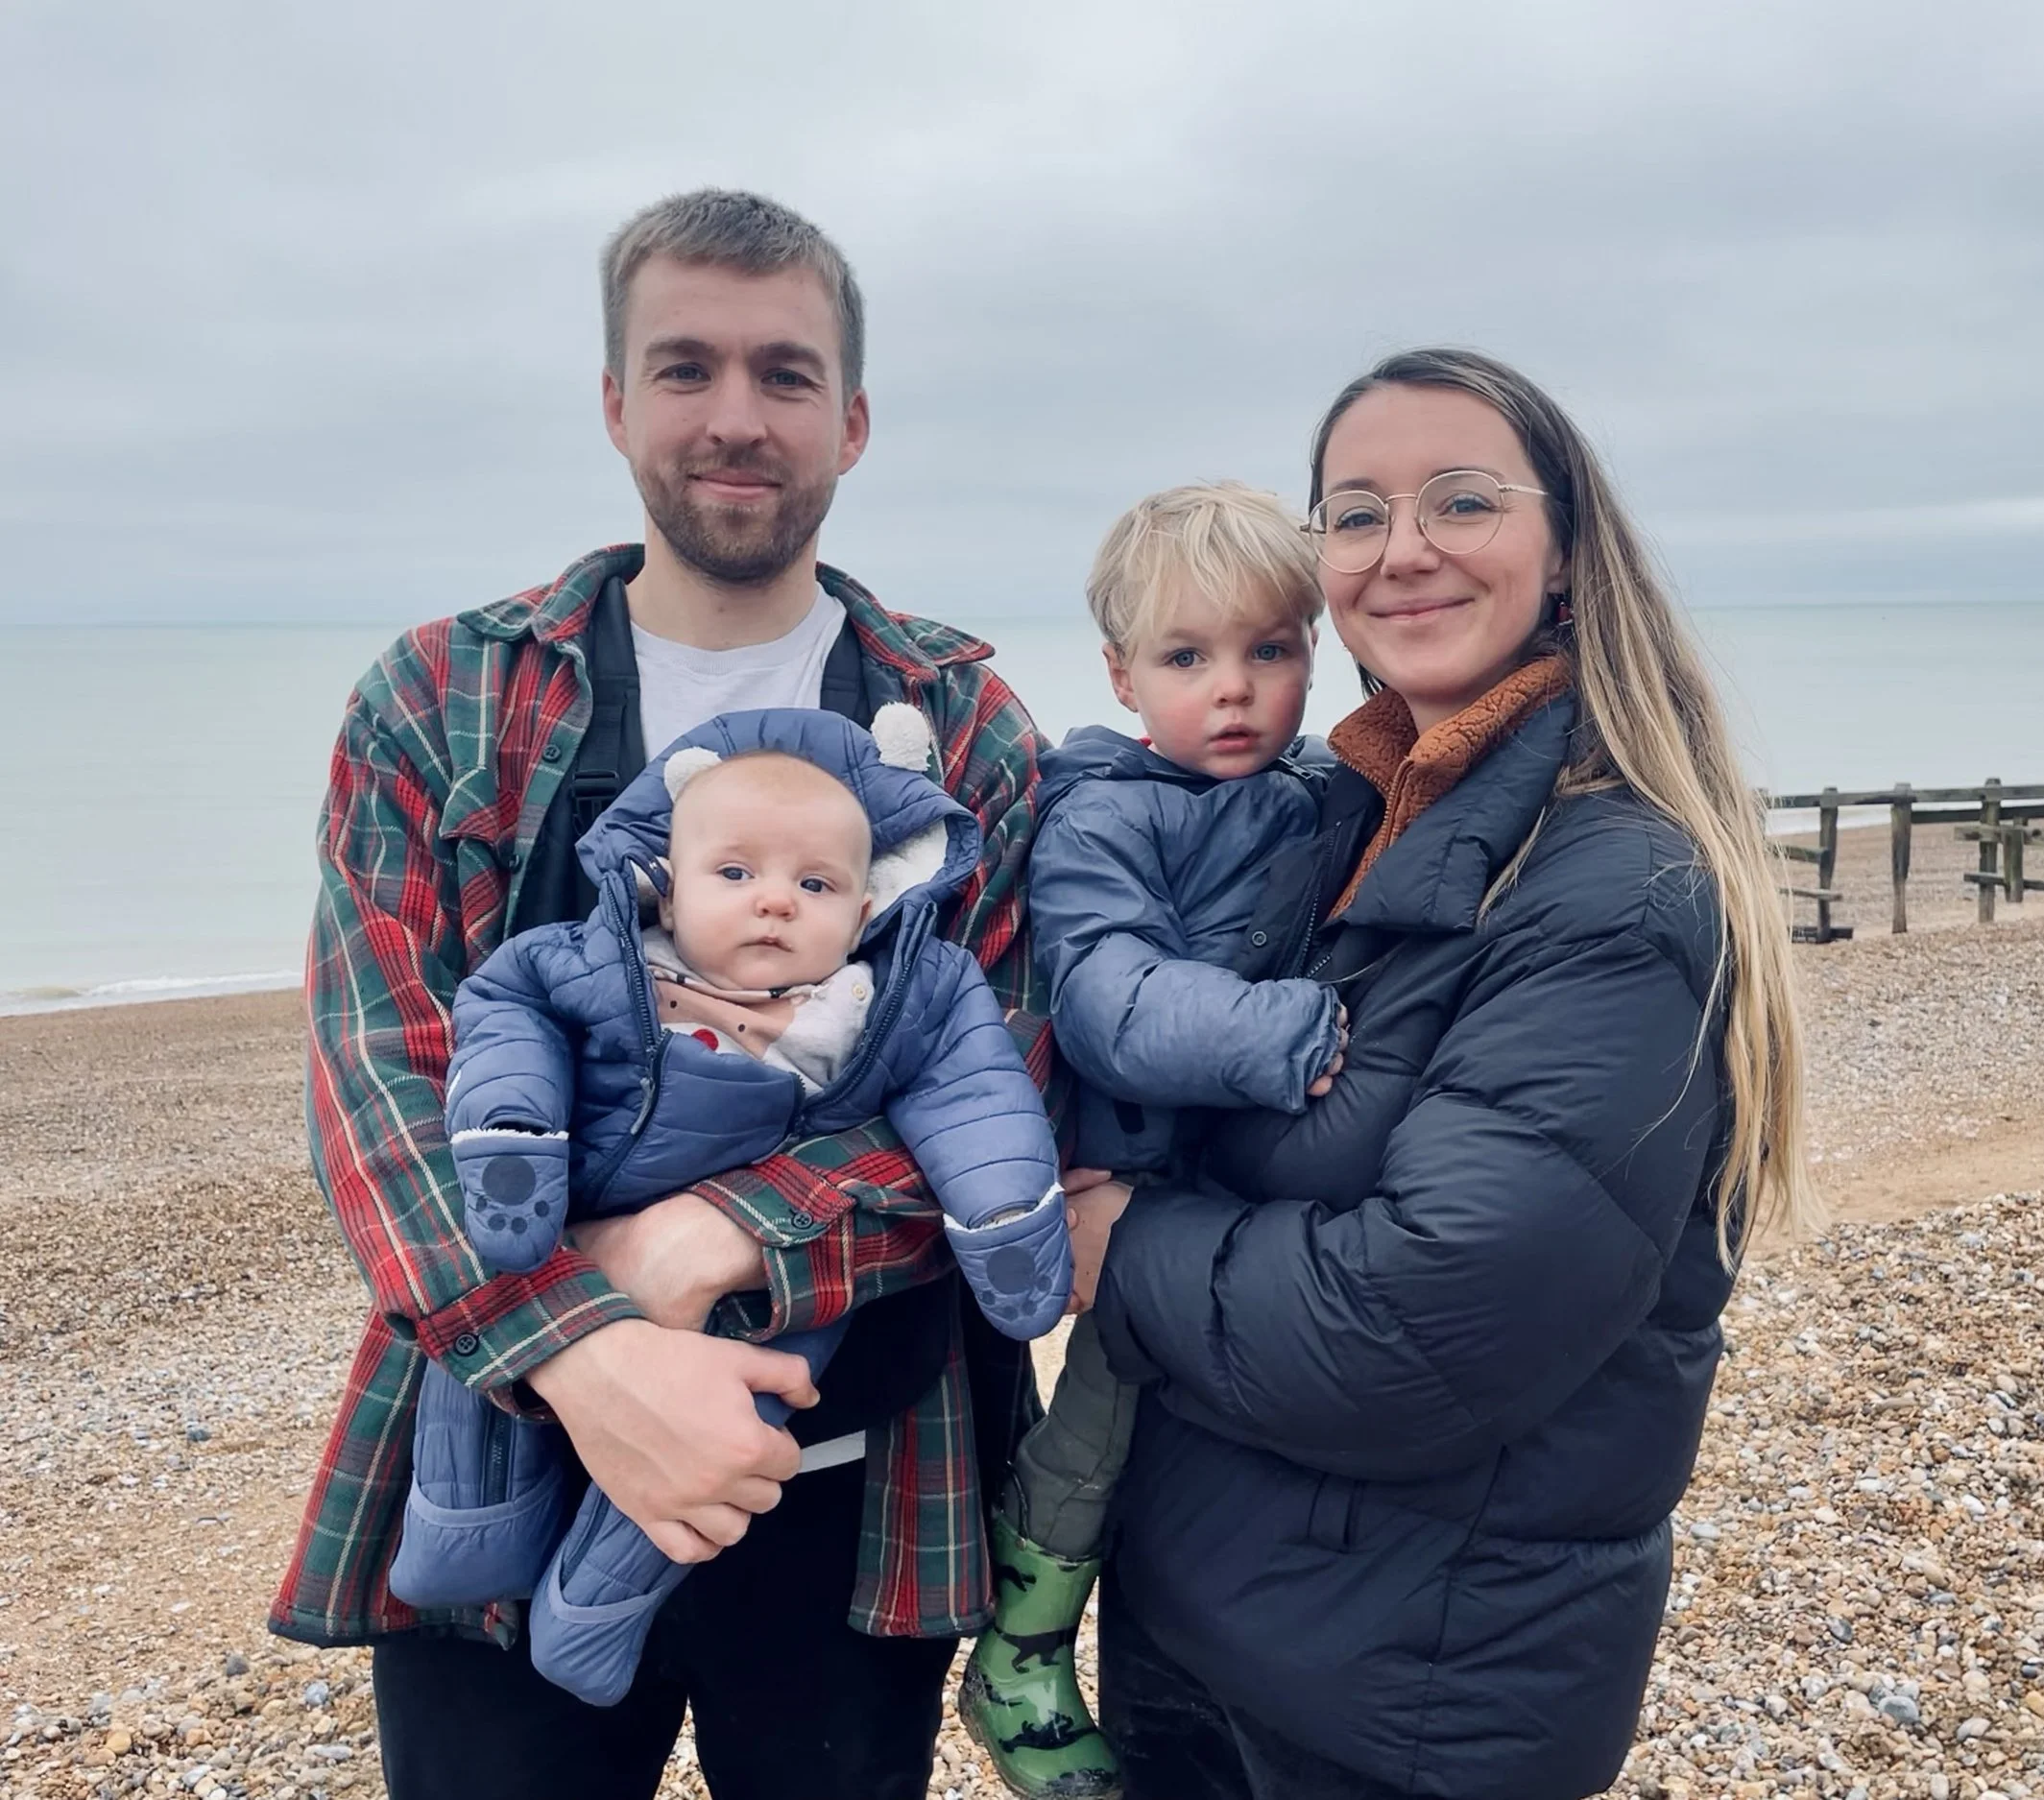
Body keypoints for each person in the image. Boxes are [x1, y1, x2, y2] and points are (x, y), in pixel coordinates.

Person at [268, 189, 1053, 1800]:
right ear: (617, 402)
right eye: (686, 368)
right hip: (504, 1441)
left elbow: (1005, 1077)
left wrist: (719, 1237)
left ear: (853, 419)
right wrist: (587, 1352)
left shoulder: (959, 724)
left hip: (855, 1482)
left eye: (784, 373)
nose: (736, 419)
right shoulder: (445, 696)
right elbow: (382, 1077)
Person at [1070, 348, 1817, 1800]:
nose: (1402, 547)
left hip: (1404, 1696)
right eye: (1354, 513)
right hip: (1212, 1625)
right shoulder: (1335, 816)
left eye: (1461, 499)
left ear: (1566, 551)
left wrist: (1119, 1239)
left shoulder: (1614, 878)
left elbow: (1416, 1324)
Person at [388, 709, 1070, 1711]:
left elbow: (980, 1095)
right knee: (487, 1340)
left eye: (816, 884)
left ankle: (594, 1612)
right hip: (558, 1239)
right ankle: (463, 1525)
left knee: (739, 1430)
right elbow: (499, 1017)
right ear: (668, 873)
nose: (775, 905)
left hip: (775, 1305)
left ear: (872, 896)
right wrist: (511, 1137)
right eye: (736, 874)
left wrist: (1006, 1215)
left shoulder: (879, 999)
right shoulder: (604, 958)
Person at [958, 484, 1348, 1798]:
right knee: (1102, 1411)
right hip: (1144, 1175)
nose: (1233, 690)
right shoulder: (1111, 812)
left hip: (1235, 1183)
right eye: (1189, 658)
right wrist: (1278, 1030)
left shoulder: (1317, 787)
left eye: (1270, 650)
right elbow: (1110, 997)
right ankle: (1020, 1637)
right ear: (1124, 674)